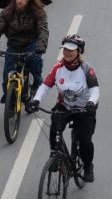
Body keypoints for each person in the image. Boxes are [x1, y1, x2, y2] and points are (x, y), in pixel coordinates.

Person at [26, 35, 100, 182]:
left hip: (84, 109)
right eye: (65, 49)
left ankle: (87, 165)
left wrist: (91, 103)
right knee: (54, 129)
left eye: (71, 50)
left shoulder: (87, 69)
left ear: (79, 51)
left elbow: (95, 90)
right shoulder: (58, 68)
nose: (67, 52)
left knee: (85, 141)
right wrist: (36, 100)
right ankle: (55, 155)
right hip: (64, 105)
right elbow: (45, 86)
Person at [0, 0, 50, 102]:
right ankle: (9, 97)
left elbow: (43, 30)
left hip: (31, 43)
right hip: (13, 45)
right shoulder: (7, 12)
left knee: (35, 63)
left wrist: (41, 46)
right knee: (7, 76)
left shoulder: (38, 12)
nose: (19, 1)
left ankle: (36, 84)